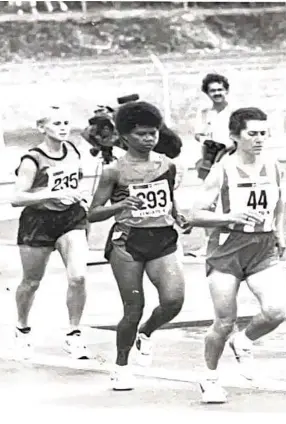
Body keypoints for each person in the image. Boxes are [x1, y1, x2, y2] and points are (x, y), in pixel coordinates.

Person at [189, 107, 286, 404]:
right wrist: (229, 216)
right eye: (252, 134)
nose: (259, 139)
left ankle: (243, 341)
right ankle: (209, 378)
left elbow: (279, 201)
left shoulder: (274, 166)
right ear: (235, 136)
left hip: (262, 248)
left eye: (263, 133)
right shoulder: (223, 170)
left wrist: (280, 232)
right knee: (224, 320)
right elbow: (194, 214)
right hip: (227, 250)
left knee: (276, 311)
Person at [88, 101, 186, 391]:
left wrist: (178, 215)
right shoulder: (113, 170)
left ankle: (147, 332)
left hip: (162, 238)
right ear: (126, 136)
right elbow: (92, 212)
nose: (149, 138)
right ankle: (121, 366)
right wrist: (120, 205)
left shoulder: (167, 164)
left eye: (153, 133)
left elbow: (168, 196)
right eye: (142, 134)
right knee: (134, 307)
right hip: (128, 242)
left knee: (173, 301)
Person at [11, 105, 91, 361]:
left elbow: (74, 181)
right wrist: (52, 193)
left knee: (78, 276)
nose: (64, 128)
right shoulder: (31, 159)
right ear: (42, 128)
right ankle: (22, 328)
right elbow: (17, 197)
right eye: (57, 124)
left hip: (71, 219)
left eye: (67, 123)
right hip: (38, 221)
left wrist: (80, 196)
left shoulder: (74, 150)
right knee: (32, 281)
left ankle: (74, 334)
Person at [194, 73, 235, 180]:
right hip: (210, 158)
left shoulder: (234, 111)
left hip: (232, 155)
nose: (217, 93)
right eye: (212, 91)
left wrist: (228, 145)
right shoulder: (204, 111)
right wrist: (206, 141)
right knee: (210, 189)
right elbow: (198, 133)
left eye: (220, 90)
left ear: (226, 91)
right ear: (207, 93)